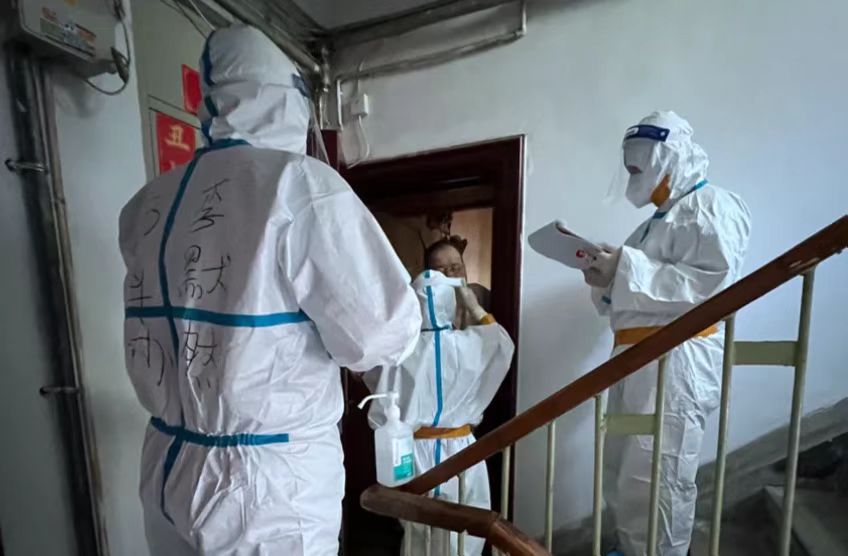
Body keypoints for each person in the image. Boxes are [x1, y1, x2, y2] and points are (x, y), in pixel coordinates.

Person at [119, 25, 420, 556]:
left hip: (166, 463)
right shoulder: (299, 184)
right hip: (264, 487)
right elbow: (379, 334)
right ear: (287, 98)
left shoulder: (147, 202)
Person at [584, 111, 751, 556]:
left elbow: (711, 284)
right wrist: (605, 279)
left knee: (660, 477)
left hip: (676, 361)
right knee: (625, 473)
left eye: (638, 165)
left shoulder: (711, 206)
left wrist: (624, 268)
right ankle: (633, 549)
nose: (632, 176)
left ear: (667, 158)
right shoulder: (652, 224)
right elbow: (632, 295)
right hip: (635, 358)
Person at [364, 270, 514, 556]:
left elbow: (374, 382)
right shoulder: (471, 343)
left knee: (418, 528)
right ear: (451, 302)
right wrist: (476, 309)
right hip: (463, 449)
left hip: (412, 448)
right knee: (467, 524)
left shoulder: (399, 350)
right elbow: (502, 344)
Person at [424, 237, 491, 328]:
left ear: (464, 268)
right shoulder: (422, 306)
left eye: (455, 268)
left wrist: (478, 311)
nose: (449, 275)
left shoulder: (481, 295)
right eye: (440, 271)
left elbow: (499, 334)